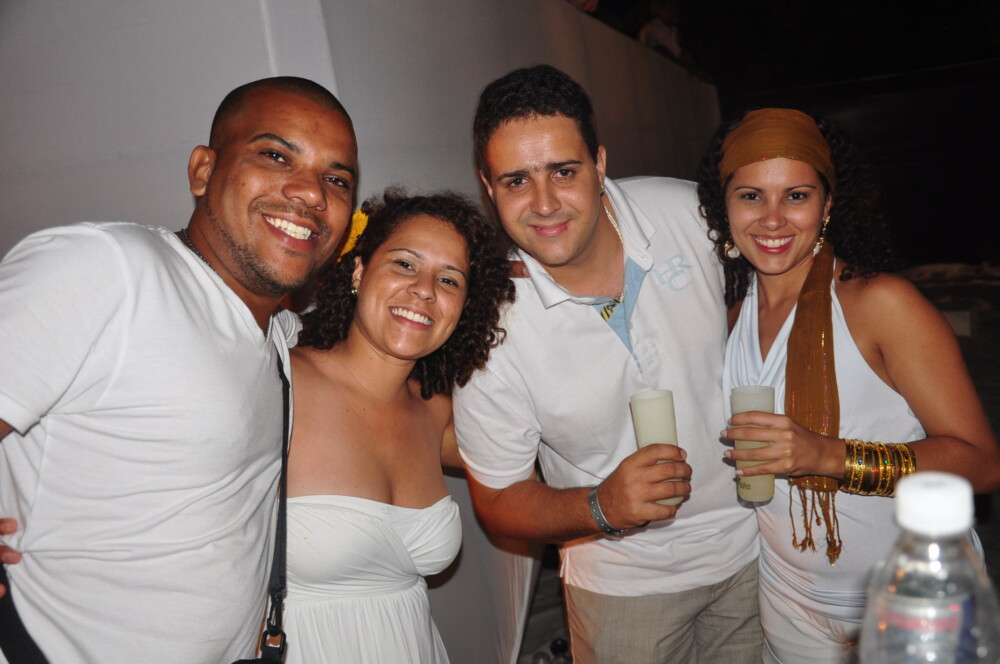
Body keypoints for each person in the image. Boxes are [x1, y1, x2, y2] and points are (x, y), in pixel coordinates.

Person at [0, 76, 358, 663]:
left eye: (337, 180)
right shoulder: (111, 268)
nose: (311, 194)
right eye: (275, 156)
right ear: (203, 171)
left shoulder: (283, 338)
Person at [453, 64, 762, 663]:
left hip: (754, 553)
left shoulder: (686, 213)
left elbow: (768, 291)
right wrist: (602, 505)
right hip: (622, 589)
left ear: (598, 164)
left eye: (563, 171)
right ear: (489, 188)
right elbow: (499, 500)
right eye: (517, 181)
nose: (545, 204)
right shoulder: (488, 325)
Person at [697, 107, 1000, 663]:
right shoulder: (732, 318)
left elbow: (982, 464)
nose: (772, 219)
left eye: (796, 196)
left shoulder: (880, 304)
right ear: (725, 207)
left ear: (828, 205)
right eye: (750, 196)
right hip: (788, 608)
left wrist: (827, 455)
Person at [280, 188, 514, 663]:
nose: (425, 290)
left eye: (448, 280)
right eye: (405, 264)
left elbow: (538, 454)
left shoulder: (439, 415)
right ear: (359, 271)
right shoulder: (280, 381)